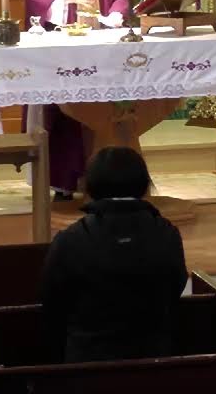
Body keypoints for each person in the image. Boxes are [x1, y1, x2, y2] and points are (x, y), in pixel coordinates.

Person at [24, 0, 130, 199]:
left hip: (100, 40)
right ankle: (64, 183)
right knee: (67, 112)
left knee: (105, 109)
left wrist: (114, 14)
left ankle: (107, 180)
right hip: (63, 42)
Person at [39, 147, 188, 363]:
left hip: (87, 364)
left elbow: (52, 299)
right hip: (154, 364)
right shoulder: (166, 234)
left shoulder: (72, 239)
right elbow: (176, 286)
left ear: (90, 185)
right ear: (144, 183)